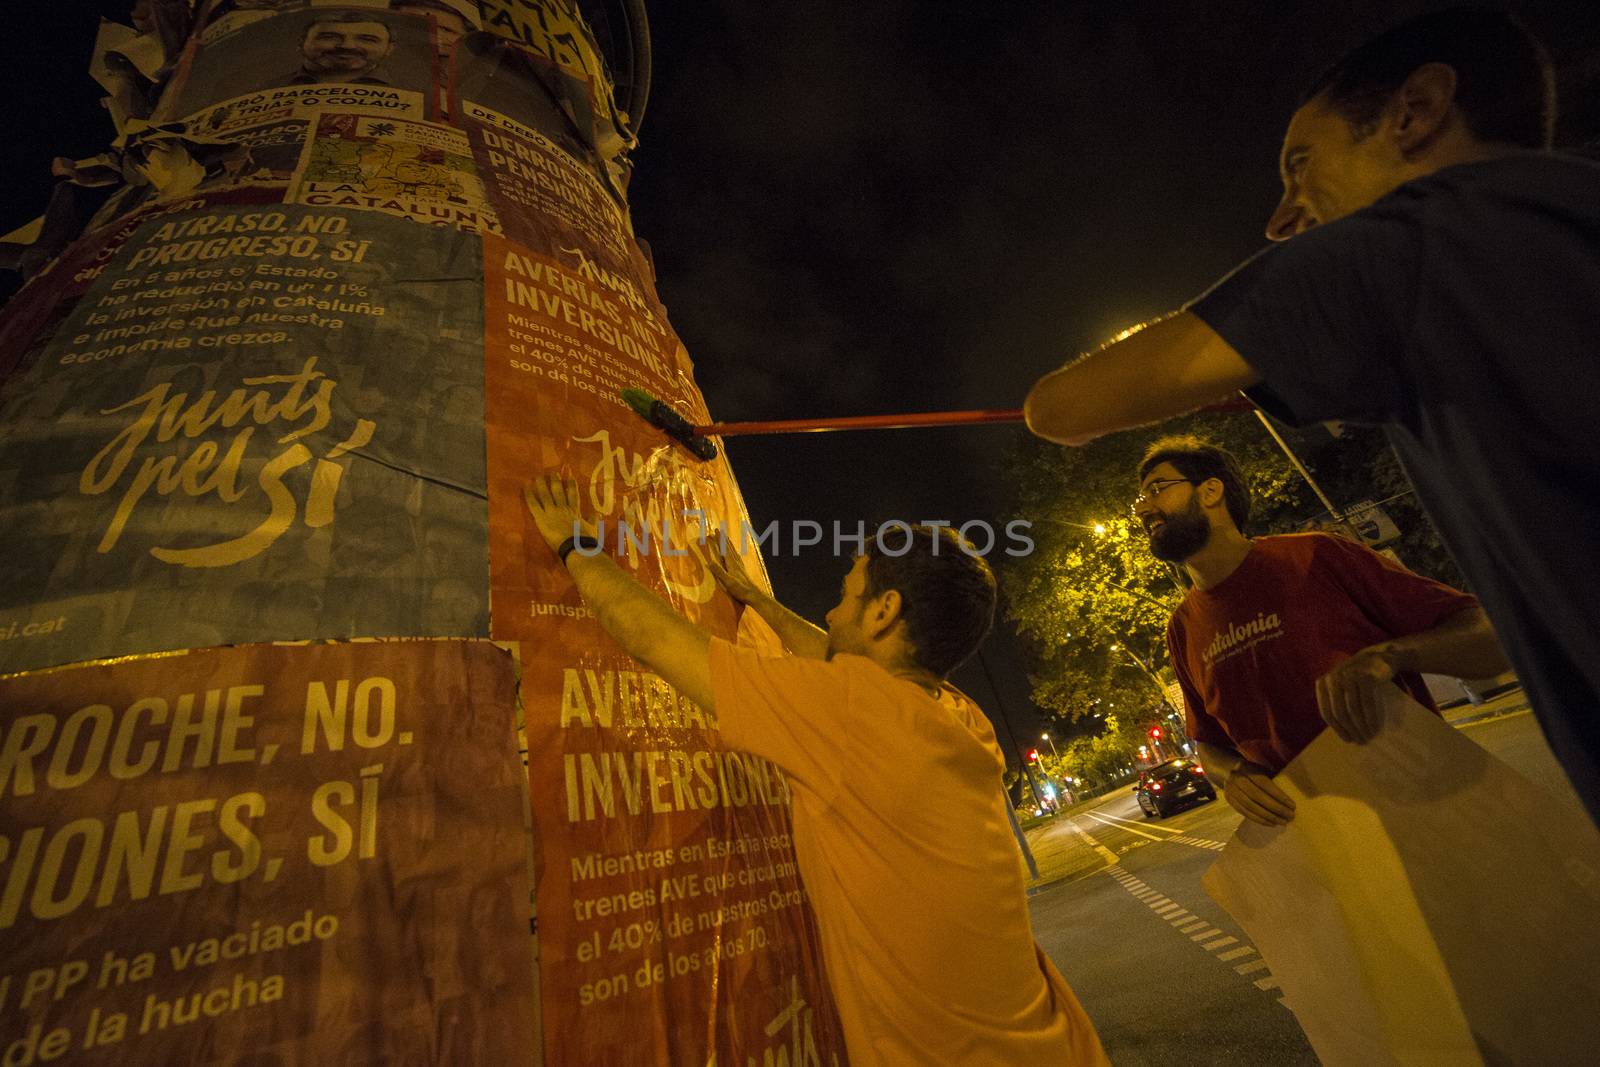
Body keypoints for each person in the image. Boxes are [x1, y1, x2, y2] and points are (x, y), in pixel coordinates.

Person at [1023, 7, 1600, 822]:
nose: (1283, 216)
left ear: (1417, 111)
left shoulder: (1396, 244)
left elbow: (1062, 407)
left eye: (1302, 166)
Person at [523, 476, 1108, 1065]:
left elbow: (654, 637)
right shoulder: (960, 718)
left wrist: (576, 545)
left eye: (847, 594)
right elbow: (838, 658)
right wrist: (758, 600)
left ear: (884, 611)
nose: (831, 612)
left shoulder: (851, 715)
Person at [1133, 437, 1508, 826]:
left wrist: (1387, 657)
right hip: (1327, 851)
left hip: (1439, 817)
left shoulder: (1318, 556)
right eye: (1138, 500)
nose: (1144, 508)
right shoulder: (1181, 629)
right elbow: (1208, 744)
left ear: (1210, 491)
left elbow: (1489, 637)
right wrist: (1234, 776)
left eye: (1157, 489)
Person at [287, 14, 394, 85]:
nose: (347, 46)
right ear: (301, 43)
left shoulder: (408, 93)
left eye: (367, 39)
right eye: (329, 37)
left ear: (389, 48)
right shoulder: (272, 87)